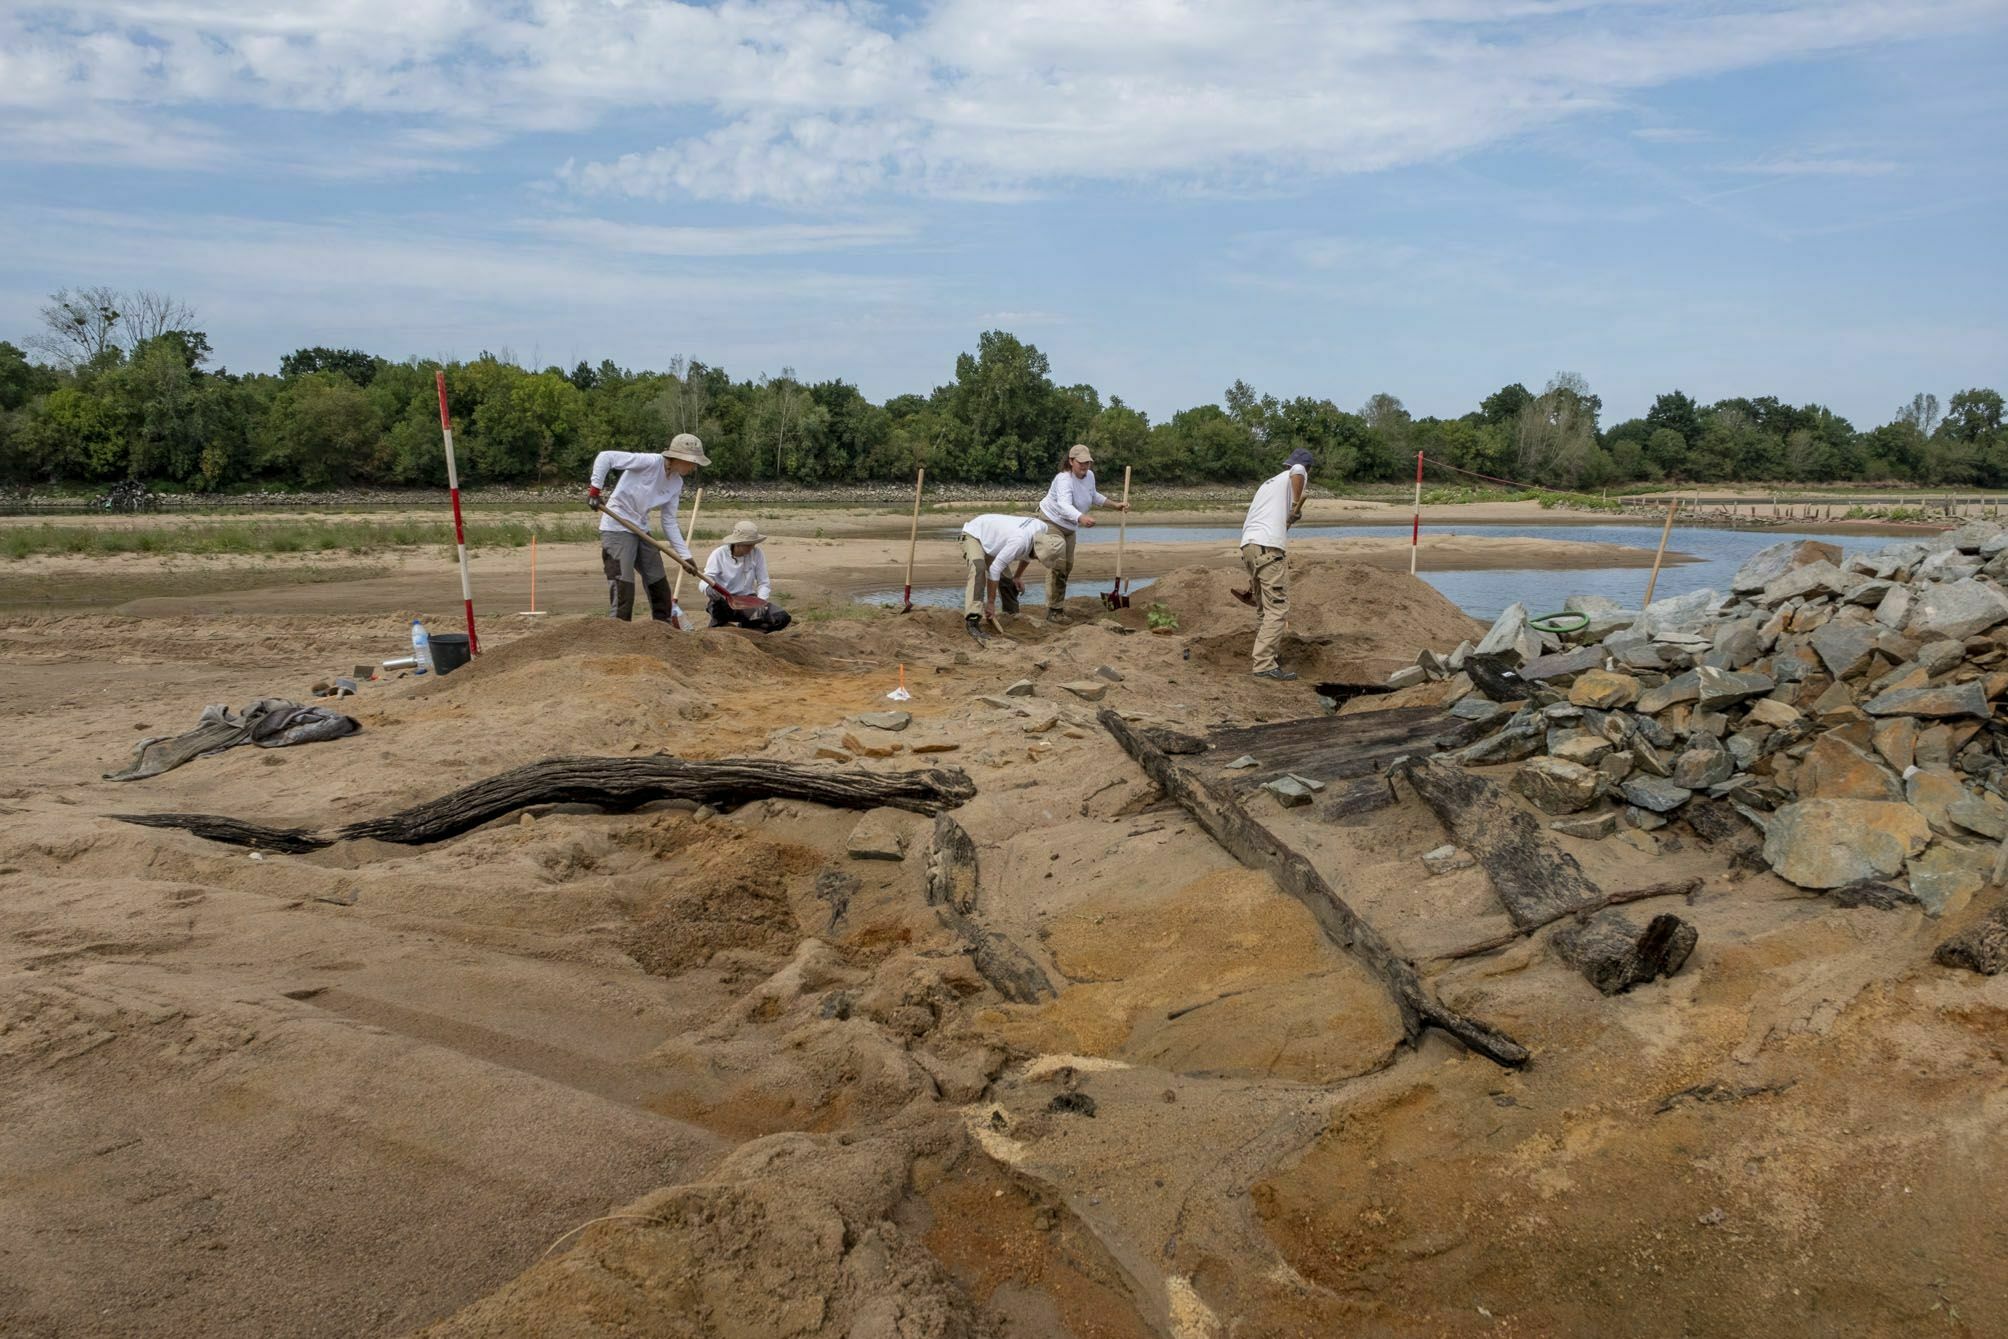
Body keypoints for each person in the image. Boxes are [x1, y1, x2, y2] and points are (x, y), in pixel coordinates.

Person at [587, 433, 708, 622]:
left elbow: (668, 521)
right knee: (623, 585)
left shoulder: (676, 482)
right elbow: (606, 457)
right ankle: (618, 632)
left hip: (640, 528)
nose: (693, 468)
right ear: (678, 458)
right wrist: (595, 490)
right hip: (617, 526)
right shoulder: (650, 462)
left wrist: (685, 556)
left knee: (658, 580)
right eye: (692, 462)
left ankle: (663, 630)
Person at [1239, 447, 1314, 680]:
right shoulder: (1298, 471)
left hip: (1248, 546)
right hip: (1269, 548)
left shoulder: (1268, 484)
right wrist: (1294, 507)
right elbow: (1299, 470)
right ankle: (1263, 664)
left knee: (1264, 609)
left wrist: (1288, 517)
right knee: (1277, 609)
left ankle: (1267, 657)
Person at [1036, 443, 1127, 621]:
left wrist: (1115, 505)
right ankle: (1054, 610)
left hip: (1070, 526)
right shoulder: (1064, 479)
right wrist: (1081, 517)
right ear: (1071, 461)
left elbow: (1094, 496)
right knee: (1059, 564)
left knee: (1067, 566)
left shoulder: (1089, 476)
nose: (1085, 467)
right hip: (1051, 520)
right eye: (1081, 463)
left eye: (1088, 463)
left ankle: (1055, 606)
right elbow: (1063, 505)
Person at [959, 513, 1050, 643]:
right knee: (978, 569)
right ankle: (973, 619)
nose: (1039, 560)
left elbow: (1029, 553)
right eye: (1040, 557)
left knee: (1007, 578)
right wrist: (990, 602)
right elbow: (994, 570)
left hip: (994, 541)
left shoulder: (1042, 530)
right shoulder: (1019, 542)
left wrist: (1017, 576)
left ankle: (1012, 615)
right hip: (974, 534)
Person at [702, 520, 792, 633]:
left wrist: (760, 602)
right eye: (748, 545)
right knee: (717, 616)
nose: (751, 547)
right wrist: (707, 588)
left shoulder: (757, 553)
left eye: (753, 544)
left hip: (749, 602)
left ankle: (749, 629)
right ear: (737, 543)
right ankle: (719, 625)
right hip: (725, 601)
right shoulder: (719, 554)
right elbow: (706, 579)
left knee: (782, 618)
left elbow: (763, 582)